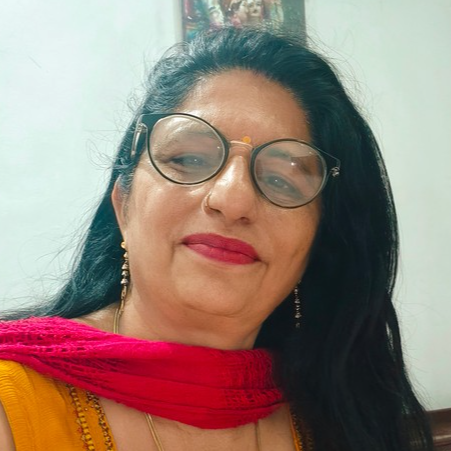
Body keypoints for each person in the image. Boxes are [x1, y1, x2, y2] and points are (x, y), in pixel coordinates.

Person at [0, 27, 433, 451]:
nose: (233, 199)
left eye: (281, 180)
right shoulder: (12, 405)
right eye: (189, 159)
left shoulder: (342, 420)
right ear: (122, 203)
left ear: (318, 242)